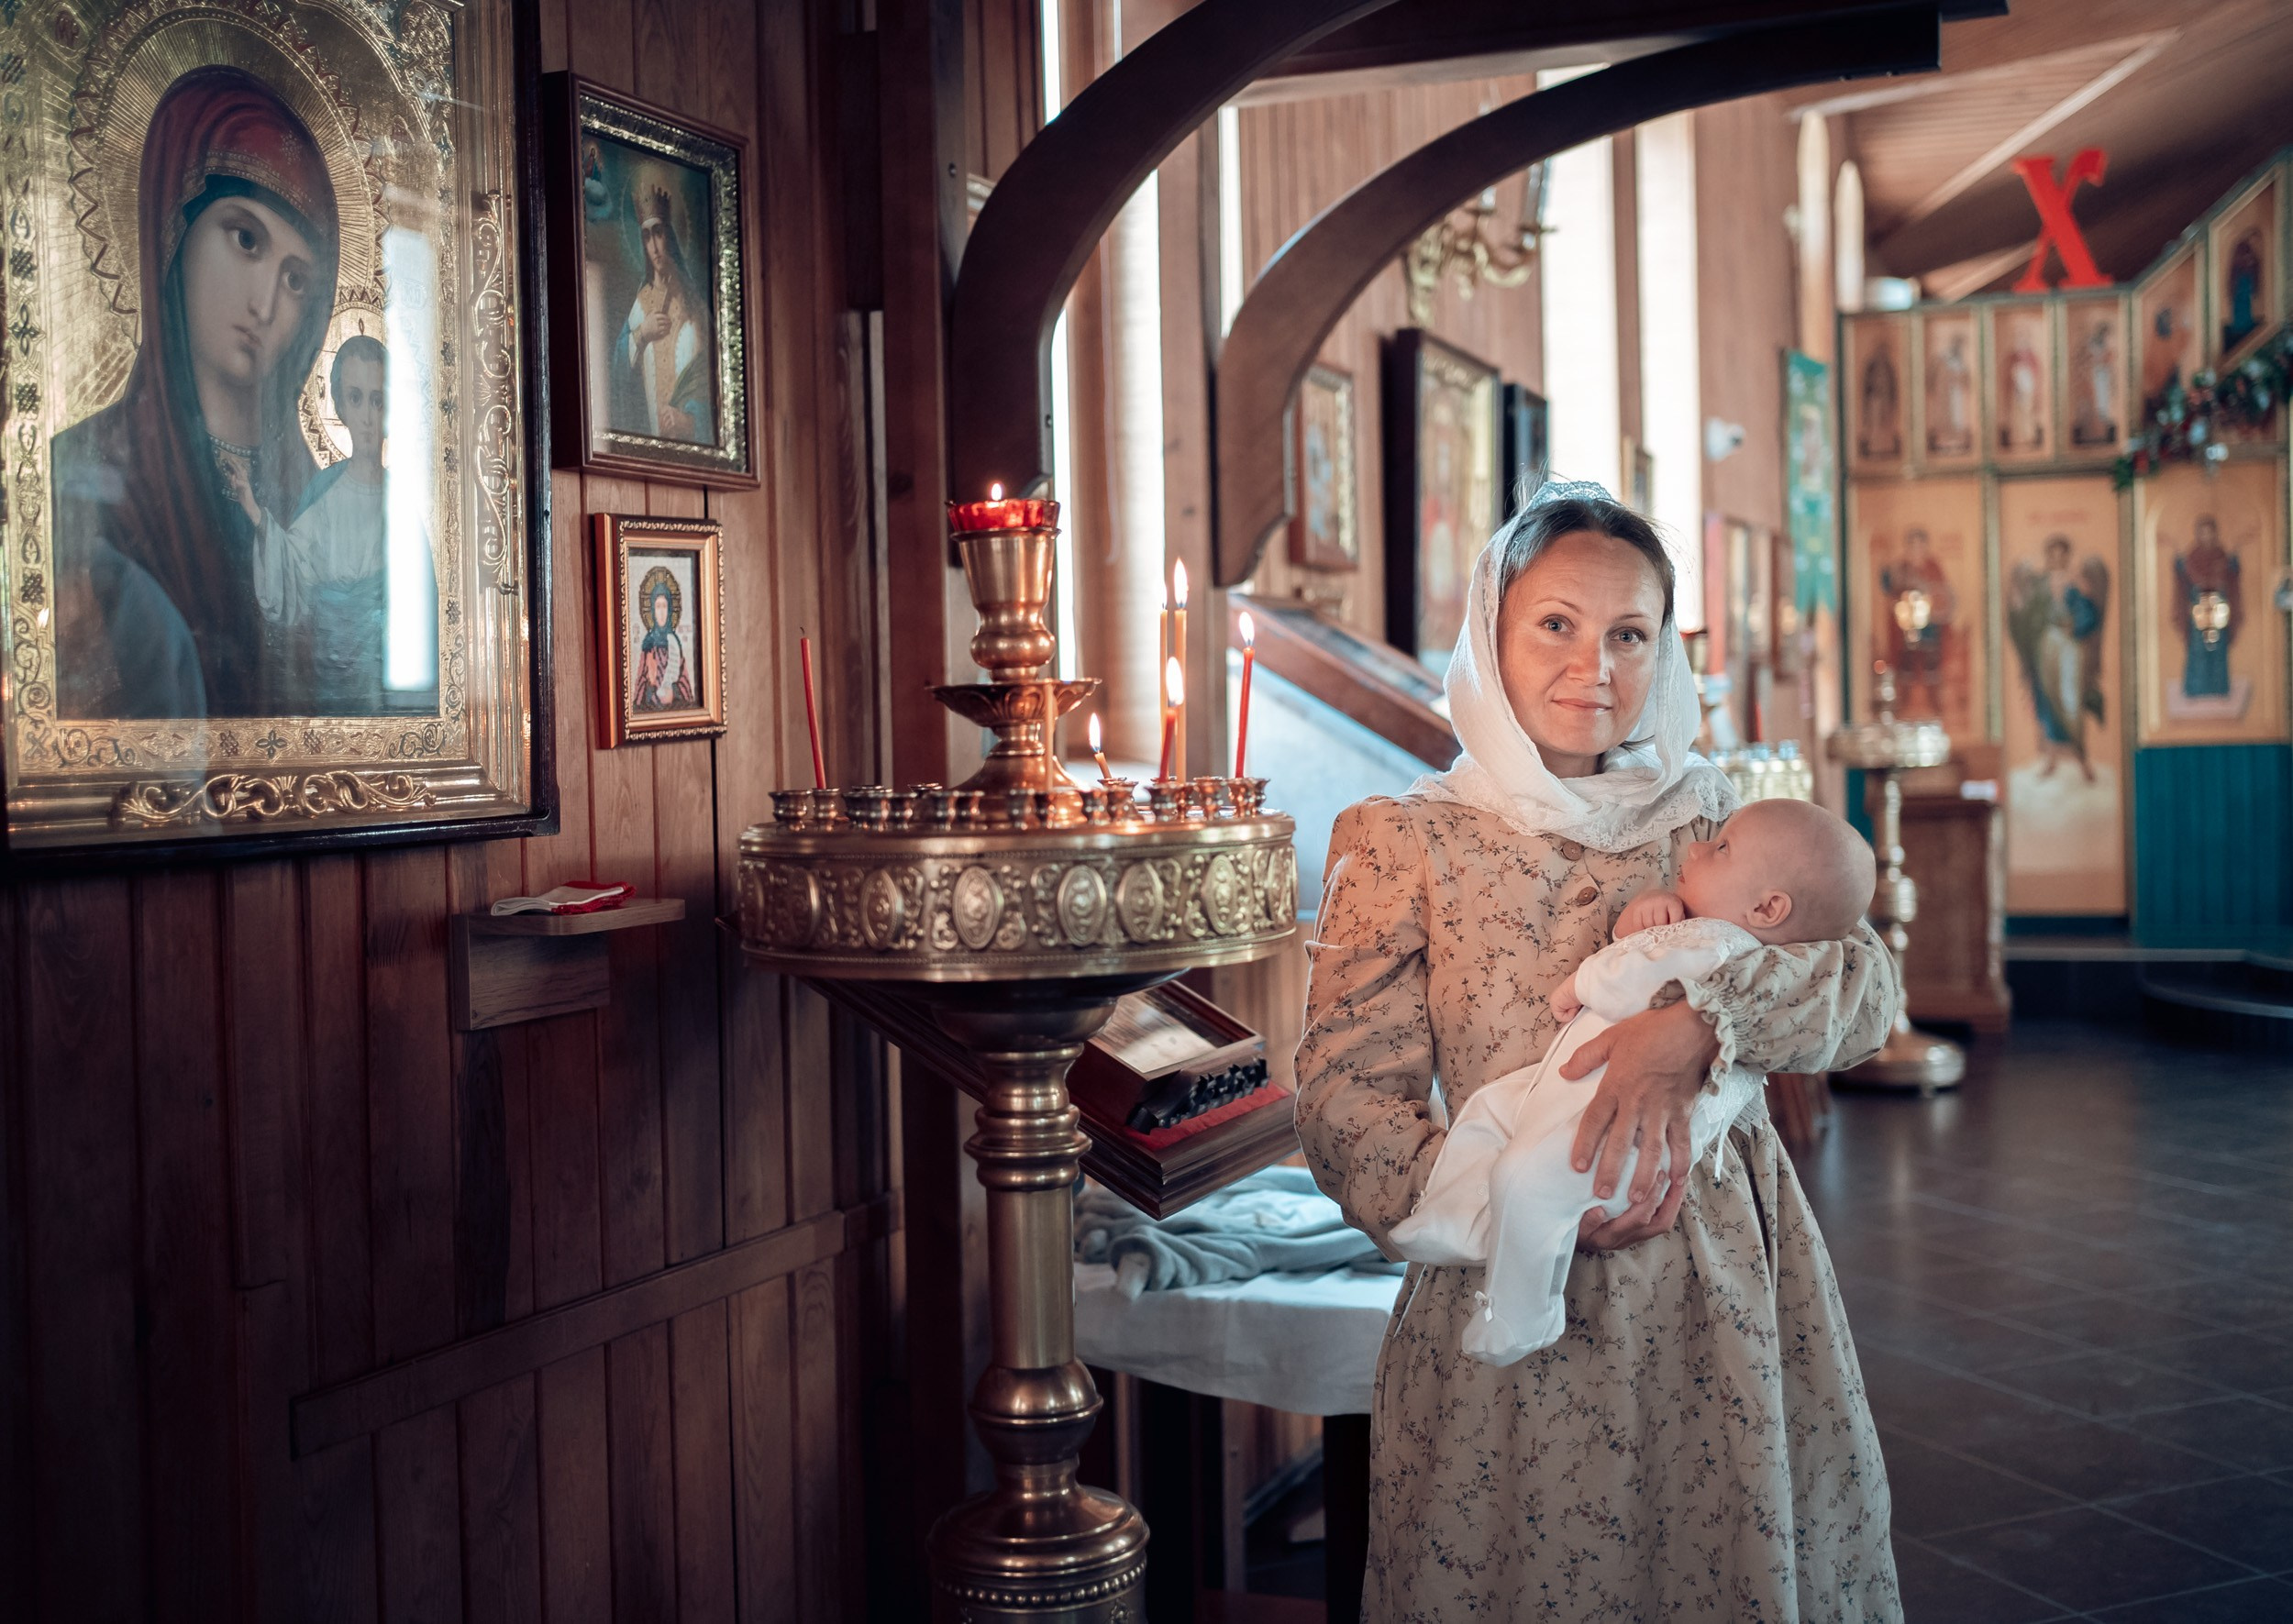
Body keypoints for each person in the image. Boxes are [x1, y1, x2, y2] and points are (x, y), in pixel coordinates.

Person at [1296, 481, 1900, 1620]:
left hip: (1712, 1282)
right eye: (1557, 625)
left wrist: (1699, 1027)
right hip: (1515, 1287)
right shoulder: (1404, 842)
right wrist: (1505, 1209)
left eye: (1630, 633)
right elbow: (1344, 1099)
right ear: (1492, 631)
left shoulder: (1704, 815)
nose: (1597, 666)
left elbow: (1864, 989)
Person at [1386, 797, 1876, 1365]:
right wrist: (1649, 920)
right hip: (1556, 1095)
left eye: (1718, 848)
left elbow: (1856, 989)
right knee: (1491, 1116)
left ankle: (1518, 1312)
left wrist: (1662, 1008)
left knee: (1529, 1178)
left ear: (1767, 907)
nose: (1696, 848)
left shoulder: (1718, 912)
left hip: (1642, 1168)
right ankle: (1456, 1217)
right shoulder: (1407, 831)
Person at [50, 65, 340, 718]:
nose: (265, 304)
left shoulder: (319, 498)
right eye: (246, 240)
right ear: (173, 233)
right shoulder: (81, 475)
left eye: (296, 280)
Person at [235, 334, 435, 714]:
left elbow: (422, 607)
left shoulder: (402, 504)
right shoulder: (324, 492)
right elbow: (292, 569)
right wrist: (255, 511)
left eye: (378, 400)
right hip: (328, 673)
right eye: (356, 398)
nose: (367, 415)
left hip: (385, 675)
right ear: (339, 405)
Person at [618, 182, 714, 443]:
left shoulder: (694, 305)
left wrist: (689, 420)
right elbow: (614, 371)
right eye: (646, 236)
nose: (654, 246)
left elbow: (710, 382)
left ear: (669, 235)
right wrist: (640, 335)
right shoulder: (640, 305)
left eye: (658, 233)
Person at [2007, 534, 2109, 780]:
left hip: (2070, 648)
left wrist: (2075, 627)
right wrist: (2018, 606)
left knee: (2071, 701)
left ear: (2067, 556)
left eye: (2061, 555)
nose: (2056, 559)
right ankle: (2050, 758)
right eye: (2051, 555)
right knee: (2047, 698)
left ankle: (2082, 759)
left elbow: (2090, 615)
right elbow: (2028, 618)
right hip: (2046, 645)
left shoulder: (2077, 581)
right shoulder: (2039, 584)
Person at [1882, 525, 1955, 718]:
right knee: (1906, 671)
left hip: (1930, 628)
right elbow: (1889, 588)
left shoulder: (1933, 569)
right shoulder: (1899, 569)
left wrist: (1933, 603)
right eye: (1912, 545)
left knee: (1931, 671)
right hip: (1906, 629)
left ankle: (1936, 713)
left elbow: (1943, 596)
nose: (1916, 549)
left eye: (1919, 545)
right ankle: (1902, 713)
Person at [2174, 514, 2241, 702]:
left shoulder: (2221, 554)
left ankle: (2219, 688)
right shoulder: (2193, 556)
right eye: (2202, 533)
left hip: (2219, 608)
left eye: (2209, 532)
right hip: (2199, 610)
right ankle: (2196, 689)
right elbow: (2186, 577)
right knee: (2197, 649)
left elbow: (2229, 575)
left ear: (2215, 534)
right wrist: (2178, 564)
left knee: (2218, 648)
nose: (2206, 536)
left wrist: (2234, 562)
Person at [633, 565, 696, 712]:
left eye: (664, 606)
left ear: (669, 610)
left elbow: (685, 683)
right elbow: (640, 685)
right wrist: (651, 688)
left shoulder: (675, 643)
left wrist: (673, 692)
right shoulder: (648, 644)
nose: (661, 612)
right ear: (653, 611)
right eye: (658, 607)